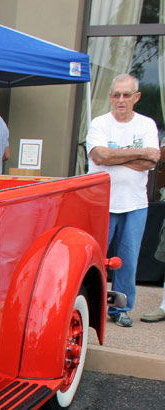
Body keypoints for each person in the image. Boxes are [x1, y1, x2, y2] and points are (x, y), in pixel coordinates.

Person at [87, 73, 161, 328]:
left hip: (135, 204)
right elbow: (99, 156)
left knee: (128, 261)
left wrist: (114, 156)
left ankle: (120, 309)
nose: (120, 100)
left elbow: (153, 161)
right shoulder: (99, 122)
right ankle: (87, 305)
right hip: (101, 203)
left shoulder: (147, 124)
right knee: (94, 258)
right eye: (116, 94)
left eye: (126, 95)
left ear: (136, 97)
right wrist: (138, 154)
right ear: (110, 96)